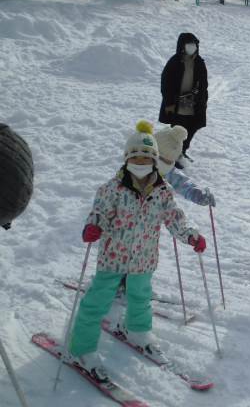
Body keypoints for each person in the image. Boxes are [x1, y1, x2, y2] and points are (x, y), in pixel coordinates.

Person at [67, 121, 205, 382]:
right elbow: (99, 211)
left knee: (141, 298)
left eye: (146, 157)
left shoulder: (163, 191)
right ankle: (81, 348)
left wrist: (190, 235)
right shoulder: (112, 189)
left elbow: (175, 217)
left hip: (144, 259)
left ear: (155, 160)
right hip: (113, 258)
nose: (141, 161)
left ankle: (136, 330)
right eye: (135, 156)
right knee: (96, 303)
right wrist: (93, 225)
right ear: (126, 158)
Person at [159, 33, 209, 168]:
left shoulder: (199, 63)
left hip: (194, 104)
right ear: (182, 46)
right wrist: (169, 102)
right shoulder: (174, 62)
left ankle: (182, 151)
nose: (192, 48)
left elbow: (204, 85)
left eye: (194, 45)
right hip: (176, 104)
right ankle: (175, 155)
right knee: (177, 130)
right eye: (189, 45)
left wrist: (203, 101)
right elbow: (166, 83)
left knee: (192, 128)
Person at [155, 125, 216, 206]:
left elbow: (181, 183)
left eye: (169, 162)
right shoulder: (135, 167)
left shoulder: (168, 172)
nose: (165, 165)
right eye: (162, 159)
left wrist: (198, 195)